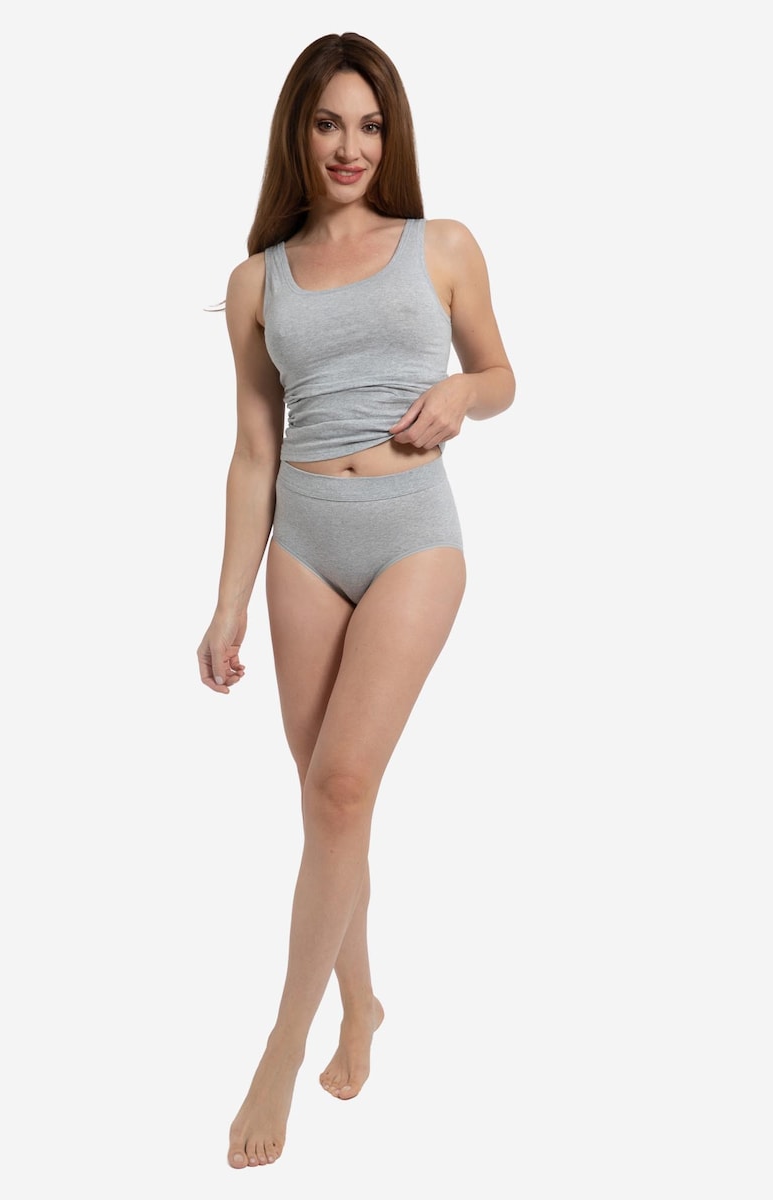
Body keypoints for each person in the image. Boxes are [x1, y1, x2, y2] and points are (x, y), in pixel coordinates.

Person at [197, 31, 516, 1170]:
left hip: (411, 534)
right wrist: (228, 603)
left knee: (340, 787)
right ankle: (363, 1003)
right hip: (304, 546)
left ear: (393, 135)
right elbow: (252, 451)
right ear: (299, 130)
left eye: (371, 125)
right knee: (330, 806)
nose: (350, 146)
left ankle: (282, 1045)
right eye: (330, 123)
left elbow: (504, 376)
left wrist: (461, 395)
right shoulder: (257, 281)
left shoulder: (443, 245)